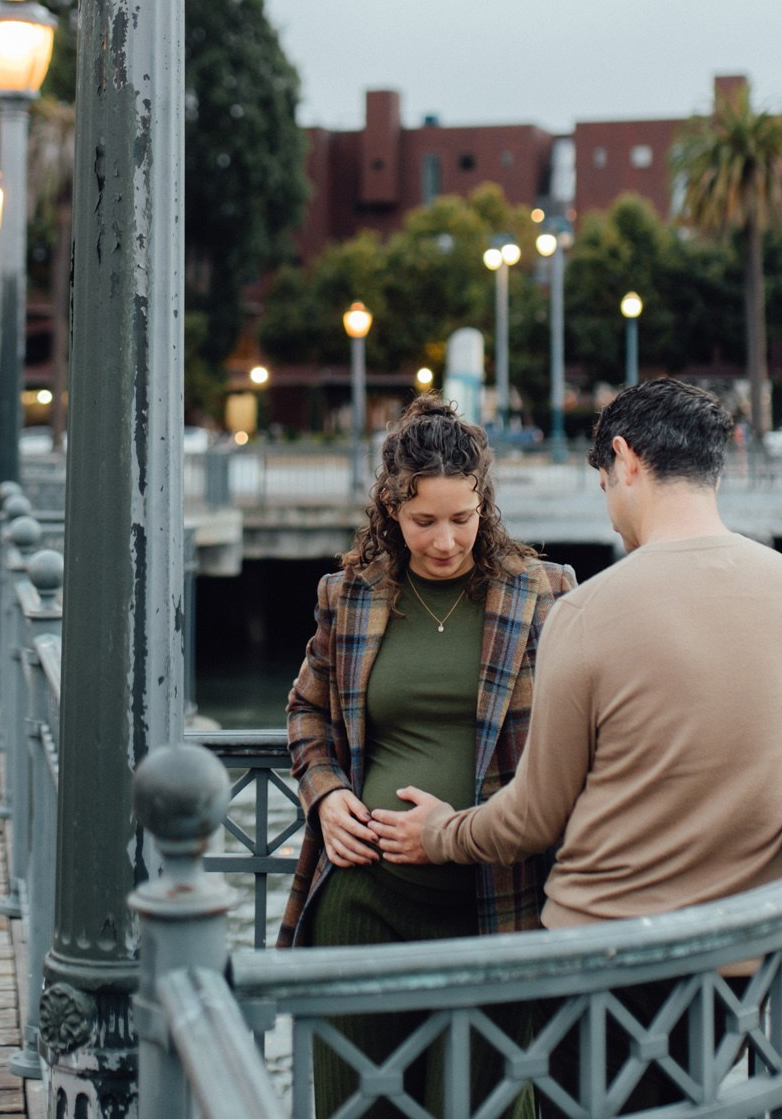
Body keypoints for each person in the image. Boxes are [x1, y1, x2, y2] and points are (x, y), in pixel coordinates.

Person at [369, 378, 782, 1108]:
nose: (610, 507)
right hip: (742, 958)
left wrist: (440, 832)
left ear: (624, 460)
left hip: (605, 962)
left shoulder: (588, 610)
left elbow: (534, 817)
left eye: (605, 482)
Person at [281, 395, 575, 1114]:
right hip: (363, 898)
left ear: (485, 504)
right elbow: (307, 711)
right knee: (359, 1107)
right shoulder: (349, 595)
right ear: (391, 509)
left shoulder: (547, 595)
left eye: (462, 518)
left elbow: (590, 732)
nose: (445, 540)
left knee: (492, 1106)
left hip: (498, 902)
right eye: (423, 521)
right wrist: (324, 792)